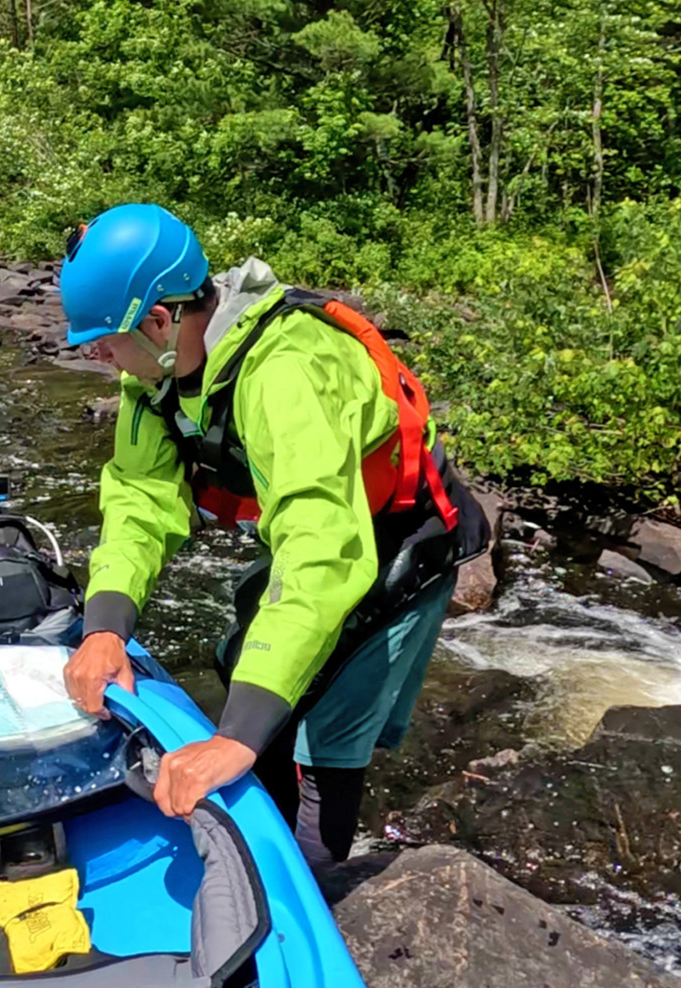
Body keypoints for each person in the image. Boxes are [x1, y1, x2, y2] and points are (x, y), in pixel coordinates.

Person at [58, 203, 490, 869]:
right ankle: (265, 831)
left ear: (158, 320)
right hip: (318, 533)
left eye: (104, 340)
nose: (98, 355)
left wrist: (236, 737)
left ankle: (317, 888)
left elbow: (321, 552)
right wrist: (106, 624)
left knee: (323, 733)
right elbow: (141, 496)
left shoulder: (285, 372)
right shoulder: (154, 374)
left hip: (396, 541)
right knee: (248, 667)